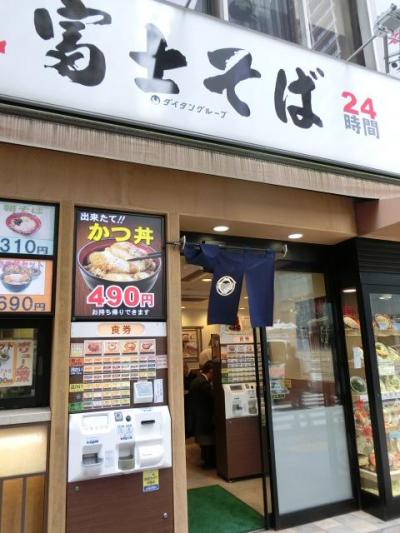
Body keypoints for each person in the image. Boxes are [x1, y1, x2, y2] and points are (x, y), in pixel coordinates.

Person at [189, 360, 215, 468]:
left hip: (198, 415)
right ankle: (209, 462)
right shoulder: (204, 384)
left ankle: (206, 460)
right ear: (211, 371)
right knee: (208, 440)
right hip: (205, 417)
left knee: (204, 441)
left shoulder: (196, 380)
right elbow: (212, 397)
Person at [183, 362, 197, 438]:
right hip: (185, 399)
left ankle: (189, 432)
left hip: (191, 399)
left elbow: (192, 388)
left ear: (186, 368)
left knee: (190, 415)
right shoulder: (183, 376)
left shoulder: (194, 375)